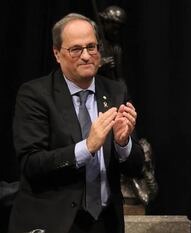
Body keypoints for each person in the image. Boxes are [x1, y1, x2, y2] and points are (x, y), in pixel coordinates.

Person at [8, 13, 145, 233]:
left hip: (104, 223)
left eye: (92, 47)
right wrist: (86, 147)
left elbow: (137, 167)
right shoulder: (35, 95)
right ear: (57, 53)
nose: (86, 56)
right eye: (76, 49)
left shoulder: (115, 91)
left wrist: (123, 143)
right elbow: (31, 164)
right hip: (53, 222)